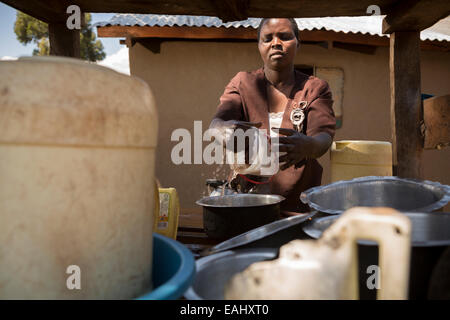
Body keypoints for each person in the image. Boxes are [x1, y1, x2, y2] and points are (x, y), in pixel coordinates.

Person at [209, 18, 336, 215]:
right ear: (259, 46)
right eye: (267, 38)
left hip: (298, 209)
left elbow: (323, 137)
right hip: (247, 203)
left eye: (285, 37)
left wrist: (308, 146)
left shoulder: (314, 88)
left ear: (298, 43)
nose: (276, 43)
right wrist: (222, 131)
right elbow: (217, 123)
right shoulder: (243, 83)